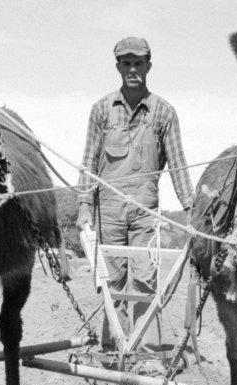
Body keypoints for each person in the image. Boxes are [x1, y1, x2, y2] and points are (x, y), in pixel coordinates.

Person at [76, 36, 195, 351]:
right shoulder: (101, 110)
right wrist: (84, 206)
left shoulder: (163, 113)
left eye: (138, 63)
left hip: (145, 212)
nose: (132, 69)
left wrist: (191, 210)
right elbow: (88, 163)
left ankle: (139, 346)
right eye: (126, 63)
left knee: (143, 279)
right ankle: (114, 345)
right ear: (118, 67)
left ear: (148, 66)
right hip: (109, 211)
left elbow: (179, 165)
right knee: (111, 279)